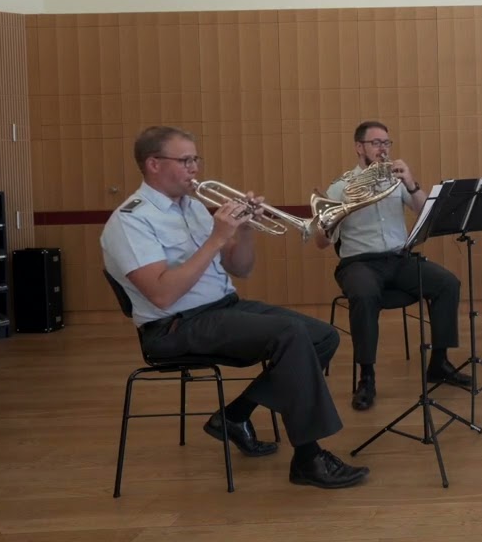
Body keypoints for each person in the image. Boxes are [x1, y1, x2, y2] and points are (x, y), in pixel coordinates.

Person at [101, 125, 368, 489]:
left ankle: (234, 415)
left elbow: (240, 269)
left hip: (224, 307)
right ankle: (308, 458)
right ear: (154, 164)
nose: (194, 168)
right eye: (185, 160)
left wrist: (243, 231)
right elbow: (162, 295)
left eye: (196, 158)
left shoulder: (193, 207)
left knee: (322, 336)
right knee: (290, 335)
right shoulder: (131, 220)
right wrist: (215, 238)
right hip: (174, 326)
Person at [316, 120, 470, 412]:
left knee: (448, 283)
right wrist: (336, 216)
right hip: (358, 263)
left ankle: (439, 362)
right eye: (376, 143)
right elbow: (321, 243)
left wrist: (411, 183)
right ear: (359, 147)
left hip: (399, 259)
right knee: (363, 295)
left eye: (386, 143)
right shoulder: (341, 187)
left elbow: (427, 216)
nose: (382, 149)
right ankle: (367, 377)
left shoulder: (395, 180)